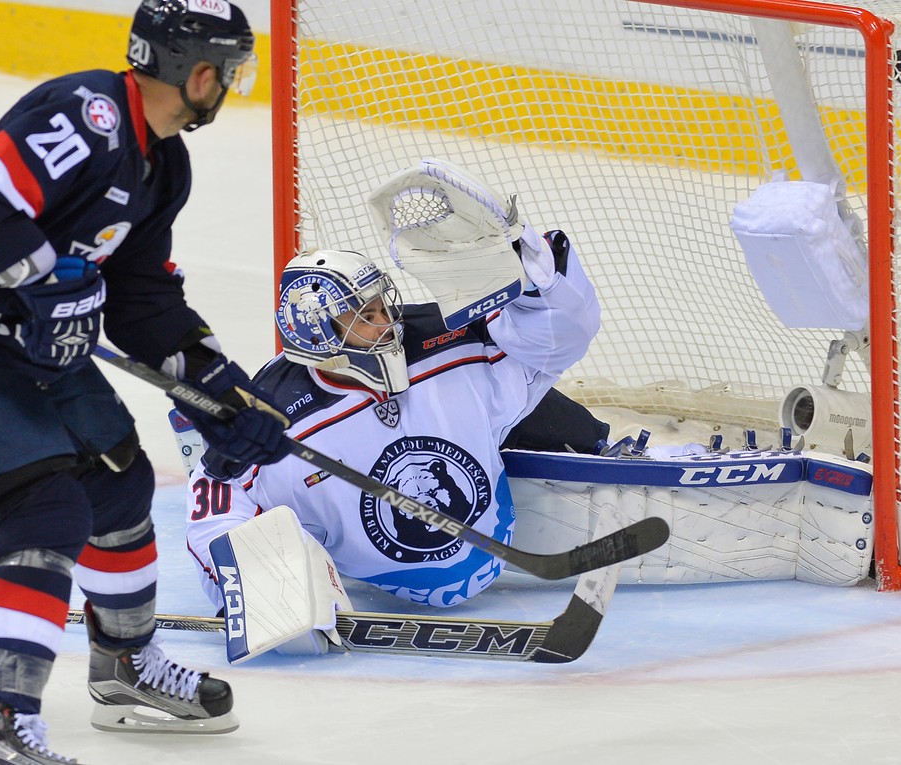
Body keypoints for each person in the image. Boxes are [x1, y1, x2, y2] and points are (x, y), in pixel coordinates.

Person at [0, 1, 288, 762]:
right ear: (198, 73)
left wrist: (217, 389)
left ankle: (124, 667)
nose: (230, 84)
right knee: (46, 509)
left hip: (42, 352)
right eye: (227, 69)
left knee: (120, 484)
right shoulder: (88, 115)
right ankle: (0, 725)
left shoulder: (165, 164)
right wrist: (42, 281)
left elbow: (141, 297)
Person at [181, 221, 602, 650]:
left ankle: (603, 449)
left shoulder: (445, 337)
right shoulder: (273, 411)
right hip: (373, 571)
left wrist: (543, 284)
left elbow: (553, 341)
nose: (387, 323)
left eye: (384, 306)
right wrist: (254, 591)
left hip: (495, 514)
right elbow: (214, 498)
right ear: (316, 330)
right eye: (366, 315)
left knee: (534, 402)